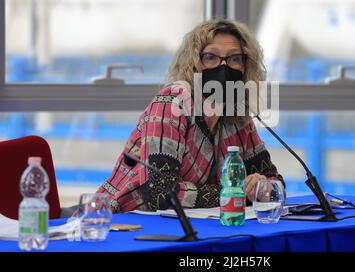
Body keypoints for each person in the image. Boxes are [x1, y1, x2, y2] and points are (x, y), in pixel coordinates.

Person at [91, 19, 285, 214]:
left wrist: (261, 188)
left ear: (245, 67)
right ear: (193, 63)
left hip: (191, 226)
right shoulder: (171, 102)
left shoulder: (237, 114)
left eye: (235, 58)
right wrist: (235, 192)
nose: (223, 66)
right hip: (122, 223)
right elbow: (159, 193)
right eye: (211, 57)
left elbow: (274, 182)